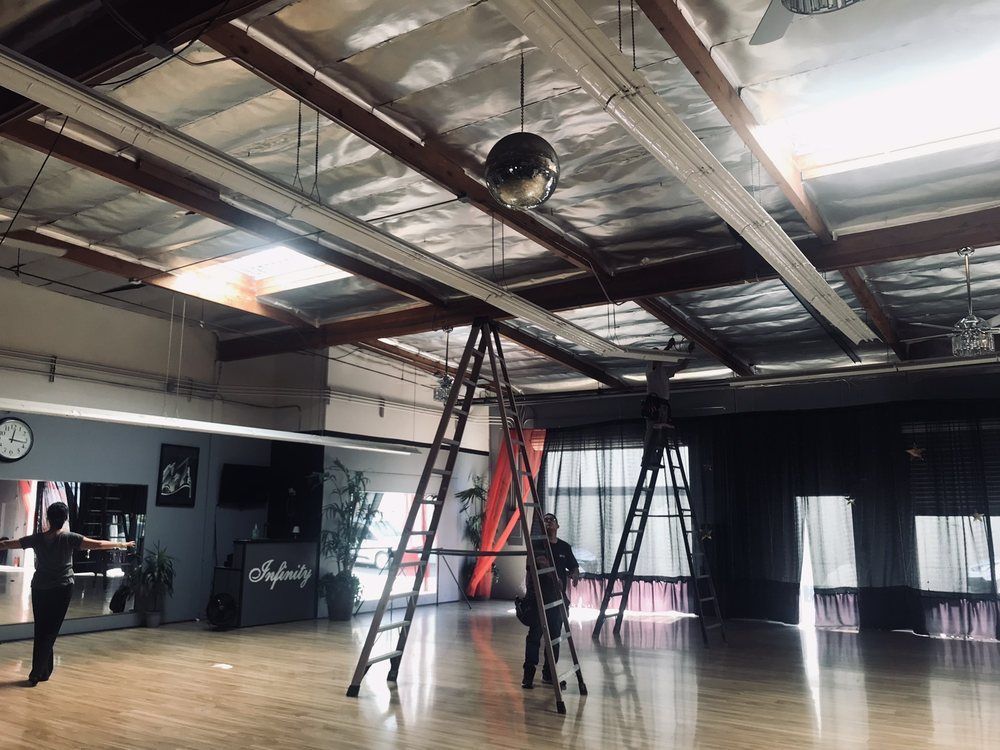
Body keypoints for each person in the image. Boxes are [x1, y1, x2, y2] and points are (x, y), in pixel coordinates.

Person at [0, 501, 135, 686]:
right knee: (50, 631)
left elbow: (8, 543)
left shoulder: (37, 538)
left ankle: (44, 672)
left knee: (42, 629)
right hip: (61, 588)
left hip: (40, 587)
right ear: (64, 519)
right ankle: (36, 672)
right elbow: (97, 544)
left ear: (48, 518)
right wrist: (124, 544)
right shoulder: (69, 538)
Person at [522, 512, 579, 689]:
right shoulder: (537, 545)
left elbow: (574, 566)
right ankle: (528, 676)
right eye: (545, 520)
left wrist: (575, 574)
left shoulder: (564, 547)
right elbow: (535, 568)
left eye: (551, 520)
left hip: (557, 601)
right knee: (534, 638)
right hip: (539, 600)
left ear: (557, 526)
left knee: (554, 639)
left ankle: (549, 674)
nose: (548, 522)